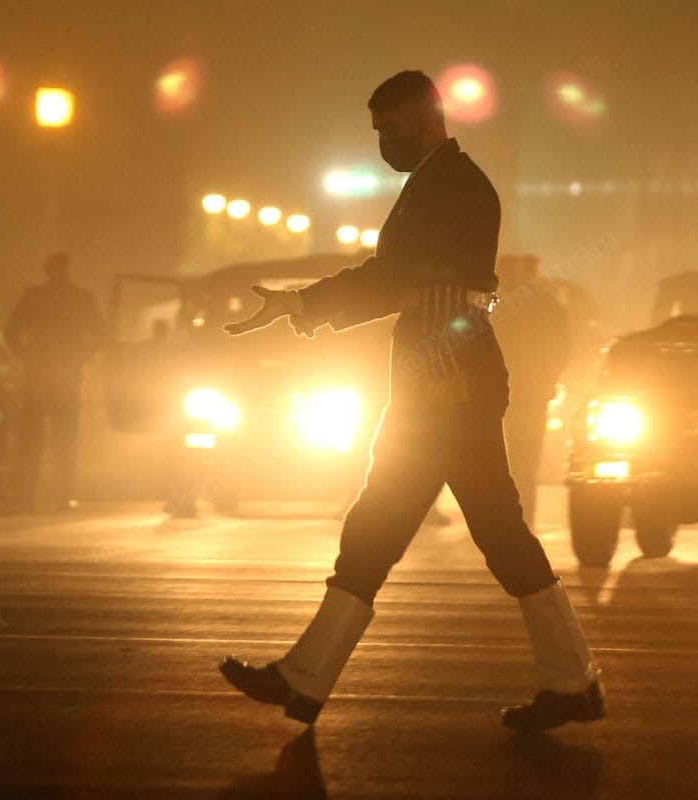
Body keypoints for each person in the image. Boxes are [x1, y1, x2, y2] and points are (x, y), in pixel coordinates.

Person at [218, 70, 604, 730]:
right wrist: (303, 304)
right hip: (447, 377)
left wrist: (301, 304)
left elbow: (395, 279)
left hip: (445, 382)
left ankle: (307, 678)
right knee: (422, 526)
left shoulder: (450, 186)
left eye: (389, 130)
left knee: (418, 526)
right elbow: (399, 282)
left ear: (426, 120)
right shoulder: (442, 182)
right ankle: (567, 682)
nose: (382, 143)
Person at [4, 252, 105, 509]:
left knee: (33, 438)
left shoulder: (36, 297)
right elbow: (102, 334)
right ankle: (63, 493)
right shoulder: (81, 299)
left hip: (42, 373)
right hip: (64, 375)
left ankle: (26, 493)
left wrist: (27, 356)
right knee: (64, 436)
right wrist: (83, 357)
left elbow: (11, 331)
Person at [493, 254, 572, 529]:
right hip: (529, 391)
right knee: (525, 457)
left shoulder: (494, 306)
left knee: (500, 457)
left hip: (502, 391)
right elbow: (562, 347)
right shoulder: (548, 306)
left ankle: (509, 516)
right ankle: (521, 515)